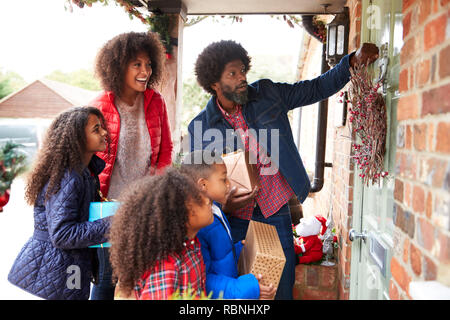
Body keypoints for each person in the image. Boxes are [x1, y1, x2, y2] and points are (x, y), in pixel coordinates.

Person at [188, 40, 379, 299]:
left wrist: (351, 63)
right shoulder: (199, 126)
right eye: (232, 74)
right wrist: (224, 206)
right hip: (235, 220)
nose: (242, 77)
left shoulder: (267, 93)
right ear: (214, 83)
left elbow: (314, 88)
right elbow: (195, 183)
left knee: (281, 287)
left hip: (275, 211)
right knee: (242, 290)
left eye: (242, 70)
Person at [89, 31, 173, 299]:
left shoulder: (155, 101)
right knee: (106, 280)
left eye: (148, 64)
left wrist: (156, 190)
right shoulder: (99, 105)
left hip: (144, 206)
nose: (145, 71)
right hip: (107, 207)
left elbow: (166, 150)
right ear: (118, 66)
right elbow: (88, 156)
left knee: (139, 279)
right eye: (136, 64)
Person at [8, 107, 112, 300]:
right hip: (55, 274)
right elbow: (63, 234)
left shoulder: (86, 172)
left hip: (69, 270)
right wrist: (113, 222)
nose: (104, 132)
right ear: (77, 138)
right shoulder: (68, 177)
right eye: (96, 129)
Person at [180, 150, 277, 299]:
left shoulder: (215, 210)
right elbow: (204, 279)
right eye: (223, 179)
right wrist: (246, 288)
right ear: (203, 185)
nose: (229, 184)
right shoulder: (199, 225)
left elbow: (220, 255)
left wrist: (239, 249)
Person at [108, 168, 213, 300]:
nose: (208, 201)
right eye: (198, 200)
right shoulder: (166, 269)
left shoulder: (191, 245)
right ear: (180, 216)